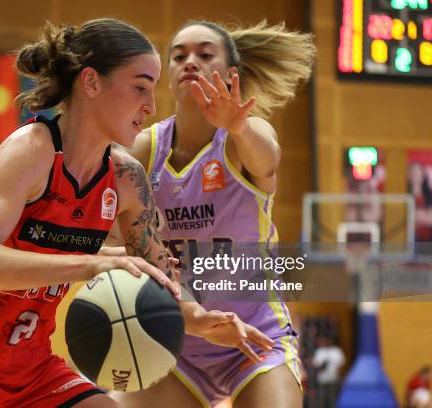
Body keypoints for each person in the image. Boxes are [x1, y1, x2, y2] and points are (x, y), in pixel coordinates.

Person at [0, 18, 260, 408]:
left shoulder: (125, 178)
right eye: (140, 87)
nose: (151, 106)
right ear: (91, 82)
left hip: (33, 369)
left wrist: (196, 319)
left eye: (153, 91)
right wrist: (89, 264)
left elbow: (159, 272)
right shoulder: (31, 151)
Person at [108, 20, 315, 408]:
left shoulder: (247, 136)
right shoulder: (143, 151)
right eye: (179, 56)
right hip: (175, 336)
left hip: (255, 334)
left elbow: (267, 161)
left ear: (230, 74)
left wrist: (237, 125)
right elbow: (114, 239)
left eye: (205, 55)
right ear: (166, 77)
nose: (190, 62)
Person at [311, 337, 345, 408]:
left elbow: (341, 366)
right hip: (322, 381)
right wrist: (322, 366)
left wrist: (340, 379)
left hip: (333, 381)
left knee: (333, 401)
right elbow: (315, 366)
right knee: (321, 401)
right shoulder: (320, 351)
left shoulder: (336, 351)